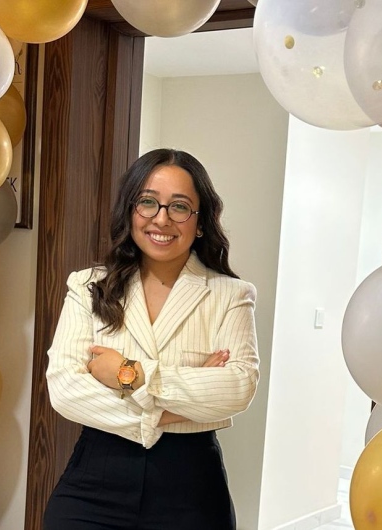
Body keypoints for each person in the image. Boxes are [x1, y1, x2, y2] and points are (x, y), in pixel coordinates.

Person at [43, 148, 259, 530]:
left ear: (200, 222)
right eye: (148, 202)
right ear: (130, 210)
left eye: (180, 207)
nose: (161, 219)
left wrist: (128, 374)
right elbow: (64, 390)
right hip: (94, 482)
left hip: (190, 488)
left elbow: (237, 388)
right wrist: (176, 408)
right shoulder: (88, 286)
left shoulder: (231, 295)